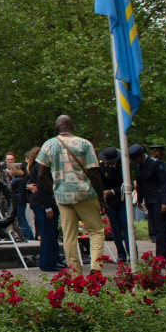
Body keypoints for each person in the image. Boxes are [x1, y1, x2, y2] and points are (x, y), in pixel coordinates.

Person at [37, 116, 106, 274]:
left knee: (69, 236)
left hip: (62, 195)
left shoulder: (48, 144)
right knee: (96, 231)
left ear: (57, 126)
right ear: (72, 126)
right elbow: (94, 173)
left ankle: (76, 275)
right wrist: (101, 198)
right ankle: (95, 268)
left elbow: (41, 174)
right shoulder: (84, 144)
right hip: (85, 194)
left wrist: (55, 192)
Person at [130, 143, 166, 263]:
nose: (135, 161)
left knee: (160, 229)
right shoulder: (138, 165)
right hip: (149, 199)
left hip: (159, 199)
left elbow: (164, 183)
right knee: (155, 228)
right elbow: (140, 182)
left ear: (141, 156)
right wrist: (140, 200)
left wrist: (165, 201)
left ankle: (161, 257)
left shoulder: (156, 163)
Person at [27, 147, 64, 271]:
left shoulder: (33, 166)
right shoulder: (41, 166)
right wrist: (47, 207)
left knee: (49, 233)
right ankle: (48, 263)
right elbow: (42, 187)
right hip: (44, 203)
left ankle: (52, 259)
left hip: (39, 202)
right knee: (48, 234)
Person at [97, 147, 129, 263]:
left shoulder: (124, 165)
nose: (105, 163)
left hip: (122, 198)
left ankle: (131, 252)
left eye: (108, 161)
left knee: (125, 225)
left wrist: (113, 191)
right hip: (110, 200)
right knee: (115, 228)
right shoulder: (102, 166)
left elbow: (127, 184)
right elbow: (101, 182)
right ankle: (121, 253)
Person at [9, 163, 35, 241]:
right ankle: (30, 237)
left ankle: (27, 237)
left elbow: (17, 193)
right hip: (20, 202)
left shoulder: (18, 180)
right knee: (23, 221)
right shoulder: (18, 179)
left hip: (19, 203)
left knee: (22, 222)